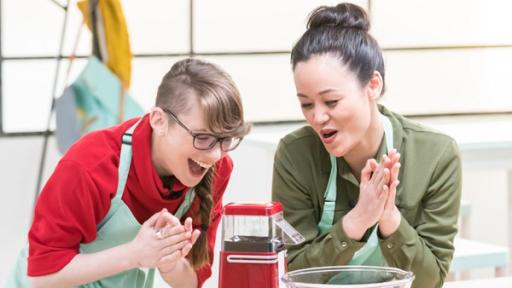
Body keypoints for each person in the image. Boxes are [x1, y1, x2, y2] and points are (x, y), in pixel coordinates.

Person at [9, 58, 251, 288]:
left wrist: (169, 262)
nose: (215, 155)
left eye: (225, 139)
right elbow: (42, 276)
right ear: (159, 120)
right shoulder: (91, 164)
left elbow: (190, 282)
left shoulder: (216, 169)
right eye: (203, 138)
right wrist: (135, 254)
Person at [271, 3, 461, 288]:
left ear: (372, 85)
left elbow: (430, 280)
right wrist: (357, 221)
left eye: (331, 101)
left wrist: (389, 218)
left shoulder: (436, 155)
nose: (318, 117)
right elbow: (291, 274)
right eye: (306, 104)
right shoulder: (296, 154)